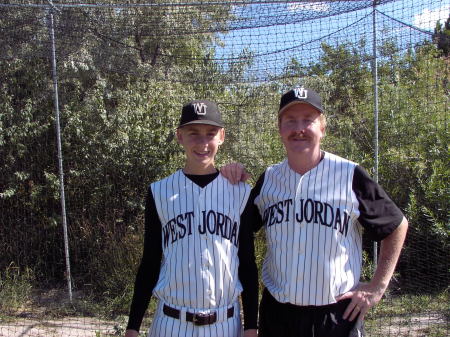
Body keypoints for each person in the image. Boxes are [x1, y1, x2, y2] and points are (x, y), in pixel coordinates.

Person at [221, 87, 408, 337]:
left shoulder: (349, 174)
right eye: (290, 120)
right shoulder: (268, 179)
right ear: (280, 129)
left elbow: (396, 225)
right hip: (278, 315)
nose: (299, 128)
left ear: (323, 128)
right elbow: (234, 229)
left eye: (308, 120)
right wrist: (226, 177)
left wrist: (377, 286)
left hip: (336, 316)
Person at [125, 100, 258, 337]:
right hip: (171, 323)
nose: (203, 142)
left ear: (222, 136)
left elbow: (247, 264)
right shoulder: (160, 191)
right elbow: (150, 262)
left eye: (210, 133)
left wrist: (251, 327)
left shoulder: (240, 192)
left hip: (225, 324)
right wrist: (133, 326)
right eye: (193, 133)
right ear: (180, 136)